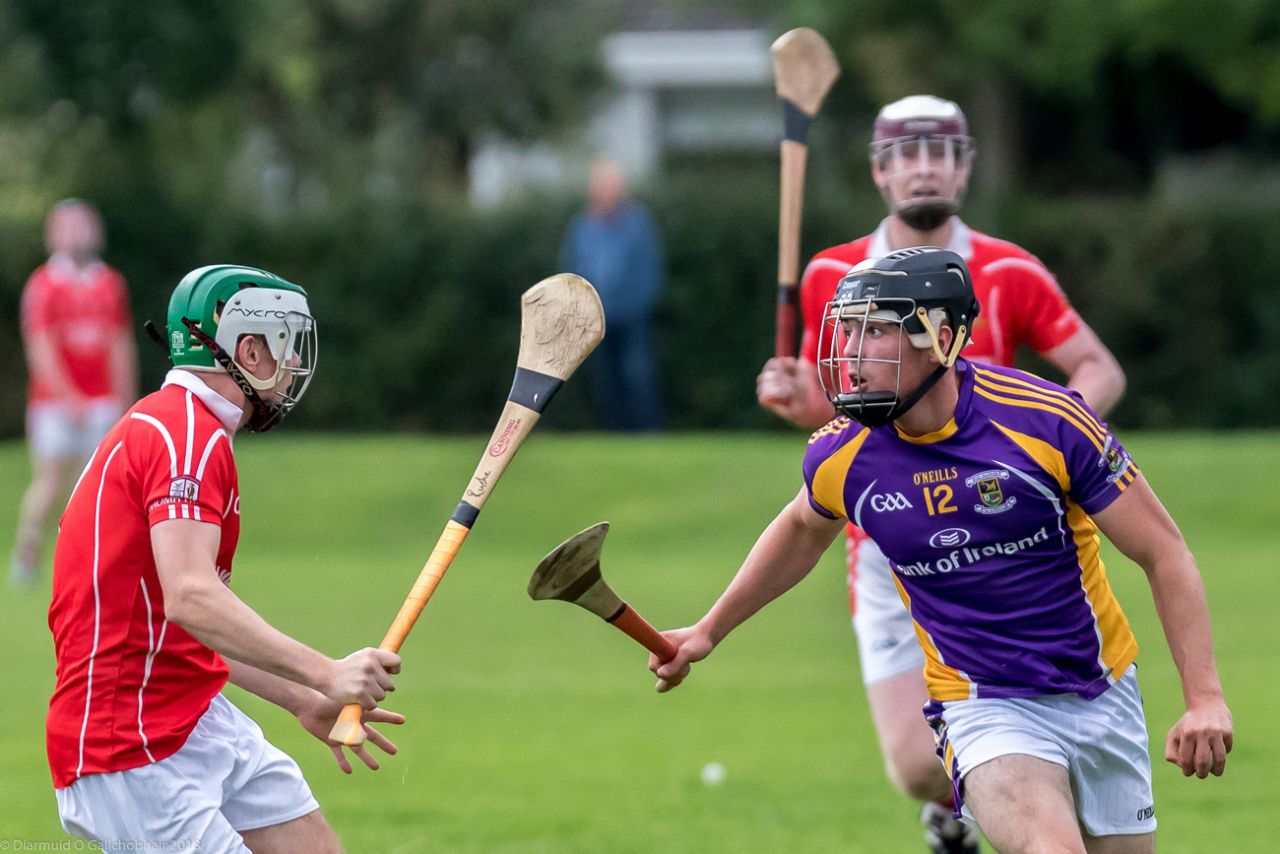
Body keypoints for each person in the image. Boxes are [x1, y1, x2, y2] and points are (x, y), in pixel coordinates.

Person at [655, 247, 1232, 854]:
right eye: (847, 330)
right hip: (981, 703)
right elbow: (802, 527)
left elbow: (1165, 554)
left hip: (1100, 690)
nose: (850, 353)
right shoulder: (844, 454)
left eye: (875, 330)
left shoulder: (1049, 422)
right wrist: (709, 630)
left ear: (943, 338)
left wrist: (1205, 699)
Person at [756, 95, 1127, 852]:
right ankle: (959, 800)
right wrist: (799, 402)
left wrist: (1046, 444)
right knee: (915, 766)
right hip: (889, 540)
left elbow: (1096, 369)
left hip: (1007, 534)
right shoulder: (834, 272)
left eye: (941, 151)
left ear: (963, 166)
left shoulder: (1009, 269)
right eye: (906, 153)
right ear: (880, 172)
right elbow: (837, 413)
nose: (924, 166)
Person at [46, 265, 403, 852]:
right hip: (128, 743)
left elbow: (188, 625)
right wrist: (325, 671)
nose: (292, 365)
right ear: (248, 348)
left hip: (192, 713)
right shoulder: (182, 434)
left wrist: (305, 699)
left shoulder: (191, 429)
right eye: (284, 344)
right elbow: (191, 597)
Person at [11, 199, 138, 586]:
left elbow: (119, 342)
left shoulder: (110, 283)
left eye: (84, 225)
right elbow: (40, 346)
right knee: (50, 481)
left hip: (102, 400)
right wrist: (68, 397)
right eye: (69, 226)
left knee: (98, 484)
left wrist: (126, 399)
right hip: (54, 403)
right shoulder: (44, 284)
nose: (78, 233)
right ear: (53, 235)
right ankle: (27, 548)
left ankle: (87, 562)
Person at [559, 156, 665, 431]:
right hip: (595, 319)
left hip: (631, 315)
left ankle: (645, 432)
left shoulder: (637, 223)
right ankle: (613, 431)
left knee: (637, 375)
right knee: (605, 380)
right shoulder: (583, 226)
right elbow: (573, 269)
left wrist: (638, 304)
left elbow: (648, 269)